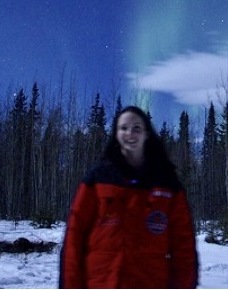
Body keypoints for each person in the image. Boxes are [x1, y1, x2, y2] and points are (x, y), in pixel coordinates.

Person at [60, 105, 199, 288]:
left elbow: (184, 245)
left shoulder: (167, 182)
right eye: (123, 128)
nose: (130, 133)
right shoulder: (98, 177)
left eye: (136, 128)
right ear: (116, 134)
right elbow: (74, 235)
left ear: (146, 133)